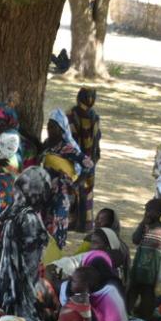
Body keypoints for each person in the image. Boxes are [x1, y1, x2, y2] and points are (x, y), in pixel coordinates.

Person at [0, 168, 51, 321]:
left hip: (5, 286)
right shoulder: (28, 219)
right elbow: (28, 265)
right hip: (19, 293)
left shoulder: (12, 214)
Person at [40, 109, 87, 248]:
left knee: (56, 227)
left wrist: (77, 184)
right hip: (47, 192)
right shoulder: (48, 144)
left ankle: (55, 260)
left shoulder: (67, 148)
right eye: (48, 126)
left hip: (61, 194)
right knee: (45, 225)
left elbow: (88, 164)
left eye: (53, 127)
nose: (49, 129)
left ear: (61, 129)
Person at [128, 198, 161, 321]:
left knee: (147, 298)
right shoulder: (144, 227)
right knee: (131, 294)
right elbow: (135, 240)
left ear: (159, 213)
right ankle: (126, 315)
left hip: (152, 273)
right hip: (137, 270)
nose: (147, 213)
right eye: (146, 210)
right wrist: (143, 222)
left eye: (150, 211)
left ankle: (145, 320)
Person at [67, 87, 102, 232]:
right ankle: (85, 224)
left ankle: (73, 221)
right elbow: (97, 139)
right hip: (89, 158)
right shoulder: (94, 116)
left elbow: (70, 137)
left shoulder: (71, 115)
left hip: (76, 158)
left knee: (75, 188)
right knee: (86, 190)